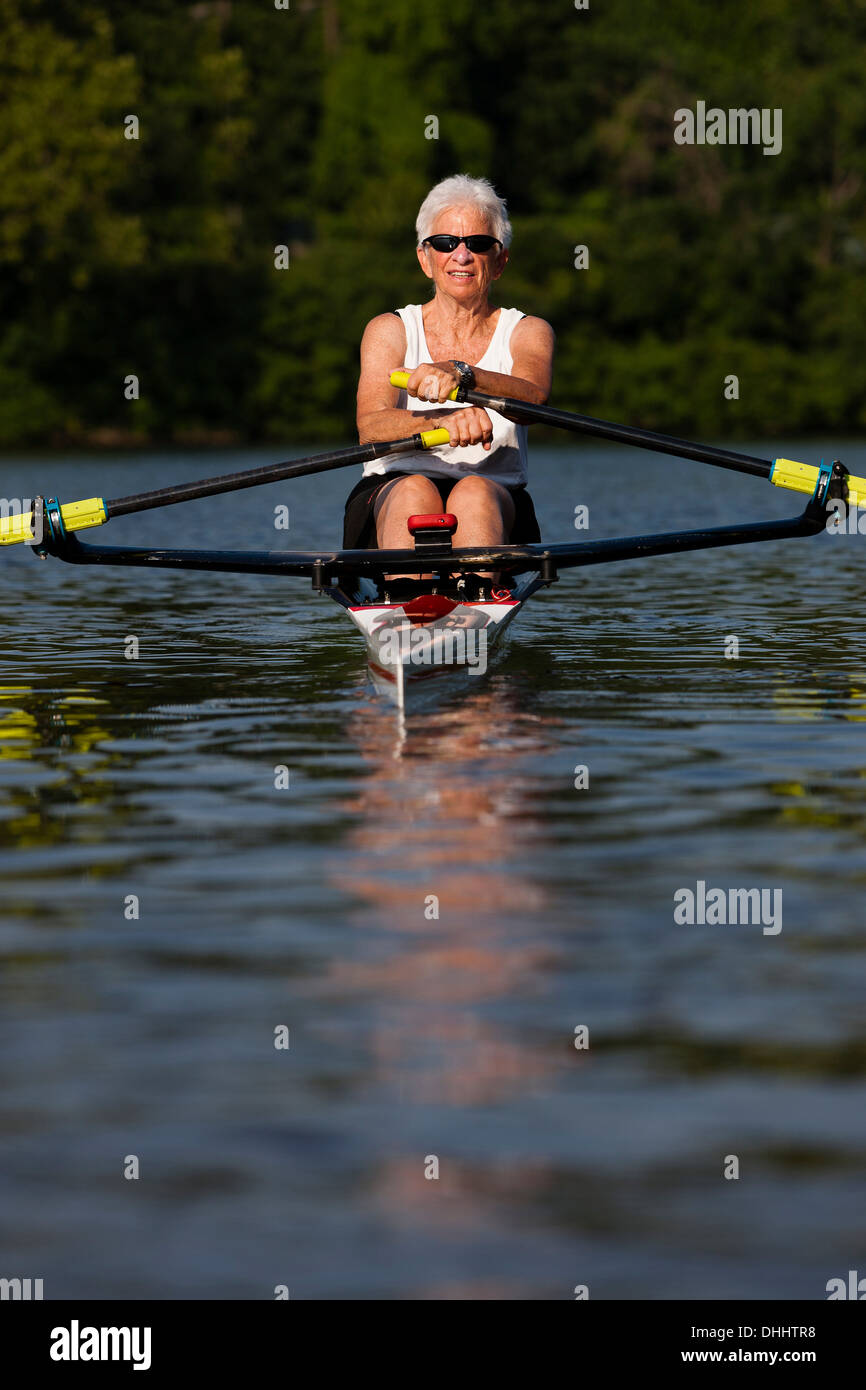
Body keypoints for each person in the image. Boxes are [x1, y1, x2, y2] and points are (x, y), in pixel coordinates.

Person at [346, 174, 555, 569]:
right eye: (445, 243)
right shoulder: (388, 330)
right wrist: (446, 420)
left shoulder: (528, 331)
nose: (461, 256)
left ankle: (474, 597)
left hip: (496, 495)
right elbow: (370, 427)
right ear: (425, 259)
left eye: (478, 244)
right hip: (392, 488)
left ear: (500, 261)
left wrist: (463, 374)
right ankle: (409, 601)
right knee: (414, 491)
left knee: (473, 494)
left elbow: (533, 400)